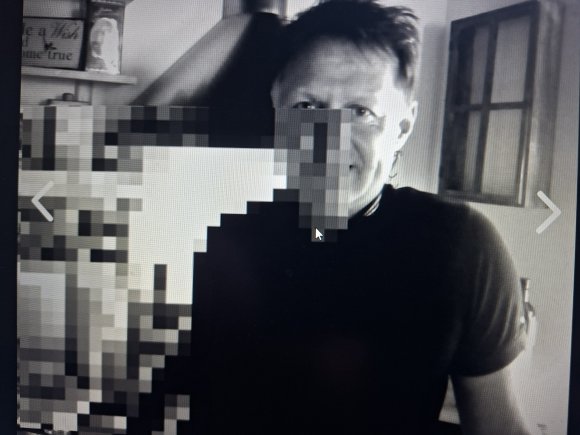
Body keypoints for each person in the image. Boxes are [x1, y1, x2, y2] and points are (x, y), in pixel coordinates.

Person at [134, 1, 532, 434]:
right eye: (307, 107)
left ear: (402, 128)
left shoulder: (462, 245)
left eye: (361, 112)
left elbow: (499, 427)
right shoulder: (203, 229)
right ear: (276, 106)